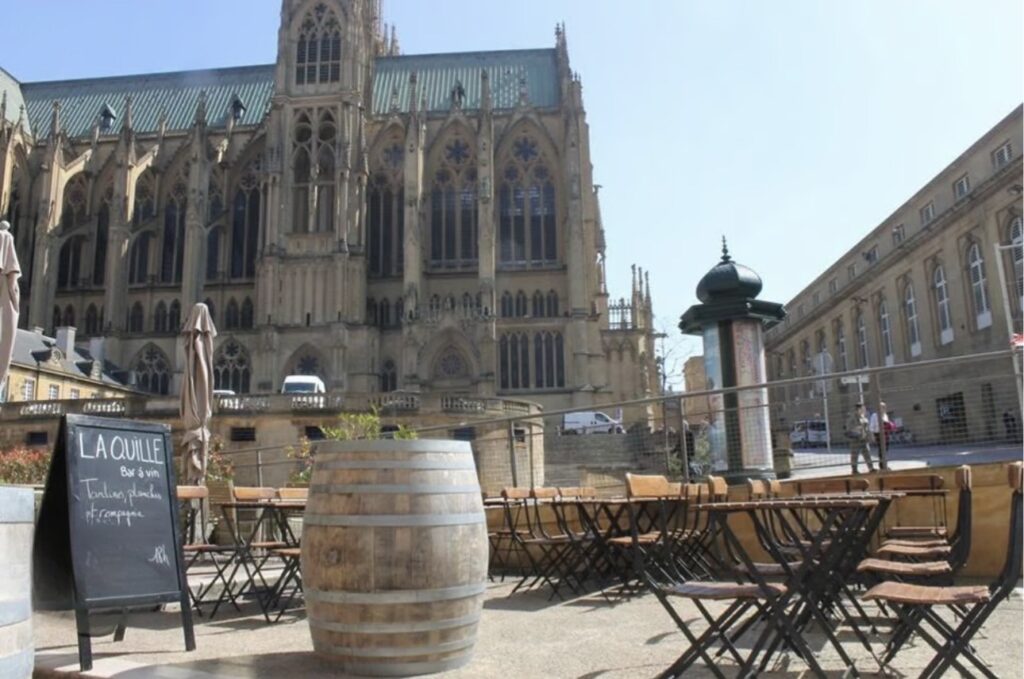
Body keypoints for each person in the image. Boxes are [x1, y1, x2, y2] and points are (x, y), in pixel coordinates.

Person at [846, 403, 874, 474]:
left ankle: (871, 468)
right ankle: (854, 470)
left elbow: (867, 428)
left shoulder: (864, 417)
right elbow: (848, 429)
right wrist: (856, 428)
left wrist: (869, 436)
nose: (864, 410)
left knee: (867, 454)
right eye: (863, 409)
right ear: (858, 409)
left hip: (864, 439)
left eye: (864, 409)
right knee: (855, 455)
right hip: (855, 439)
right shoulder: (852, 418)